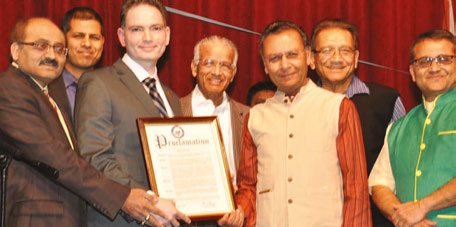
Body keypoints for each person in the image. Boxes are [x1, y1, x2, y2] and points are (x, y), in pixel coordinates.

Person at [0, 17, 186, 227]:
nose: (51, 55)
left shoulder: (44, 94)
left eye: (59, 48)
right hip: (38, 218)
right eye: (40, 46)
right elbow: (55, 157)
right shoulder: (9, 89)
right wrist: (124, 197)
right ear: (15, 51)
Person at [235, 20, 372, 227]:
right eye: (274, 58)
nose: (284, 65)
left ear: (308, 56)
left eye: (292, 55)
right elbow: (248, 186)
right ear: (264, 65)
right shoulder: (255, 117)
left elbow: (356, 189)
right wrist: (239, 209)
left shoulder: (338, 108)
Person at [74, 0, 192, 226]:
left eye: (155, 28)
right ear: (121, 36)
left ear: (167, 35)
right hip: (120, 221)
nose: (148, 38)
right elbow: (95, 158)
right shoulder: (98, 83)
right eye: (137, 29)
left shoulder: (172, 99)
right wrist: (151, 202)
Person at [309, 18, 406, 227]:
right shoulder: (298, 106)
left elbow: (405, 165)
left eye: (345, 50)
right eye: (326, 50)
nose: (336, 58)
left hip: (374, 219)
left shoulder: (387, 100)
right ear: (311, 58)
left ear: (356, 58)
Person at [369, 29, 456, 227]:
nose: (434, 67)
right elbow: (379, 183)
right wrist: (406, 219)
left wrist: (422, 207)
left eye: (443, 59)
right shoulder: (399, 127)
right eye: (424, 61)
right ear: (412, 73)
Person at [180, 35, 247, 227]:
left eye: (225, 65)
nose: (217, 72)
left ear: (233, 73)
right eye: (209, 63)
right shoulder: (172, 110)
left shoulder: (250, 117)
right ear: (194, 68)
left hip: (236, 219)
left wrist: (242, 207)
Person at [48, 6, 105, 122]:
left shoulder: (114, 87)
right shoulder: (45, 87)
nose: (87, 44)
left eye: (94, 37)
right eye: (78, 36)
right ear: (62, 40)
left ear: (103, 42)